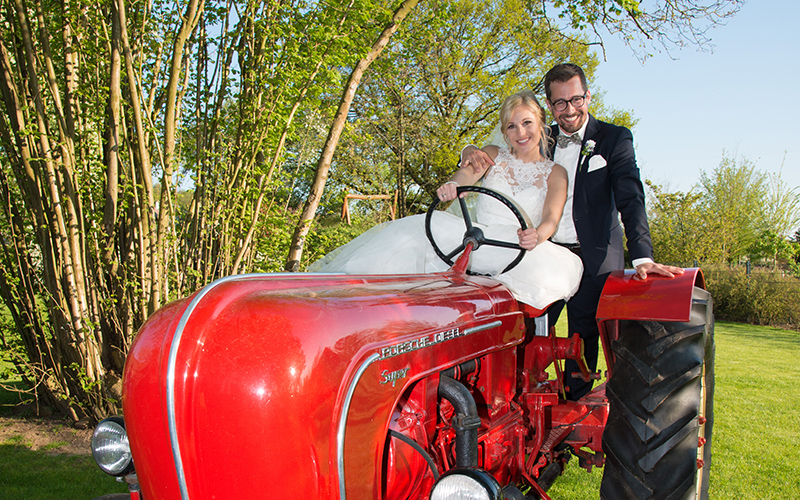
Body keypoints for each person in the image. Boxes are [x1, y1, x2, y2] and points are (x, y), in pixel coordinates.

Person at [461, 63, 683, 400]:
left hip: (593, 257)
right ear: (550, 106)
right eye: (560, 103)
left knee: (584, 338)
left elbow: (630, 196)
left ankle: (575, 409)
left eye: (576, 99)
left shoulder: (614, 138)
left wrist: (642, 255)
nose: (569, 109)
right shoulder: (536, 135)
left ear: (587, 96)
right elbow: (497, 156)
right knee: (522, 333)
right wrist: (467, 152)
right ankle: (521, 405)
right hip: (537, 254)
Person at [309, 90, 583, 310]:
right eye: (512, 126)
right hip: (476, 239)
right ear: (504, 131)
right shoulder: (492, 154)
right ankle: (353, 299)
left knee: (551, 273)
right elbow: (466, 174)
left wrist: (537, 235)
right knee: (411, 231)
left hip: (516, 246)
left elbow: (551, 218)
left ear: (540, 124)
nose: (520, 133)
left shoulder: (555, 172)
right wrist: (454, 184)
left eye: (527, 123)